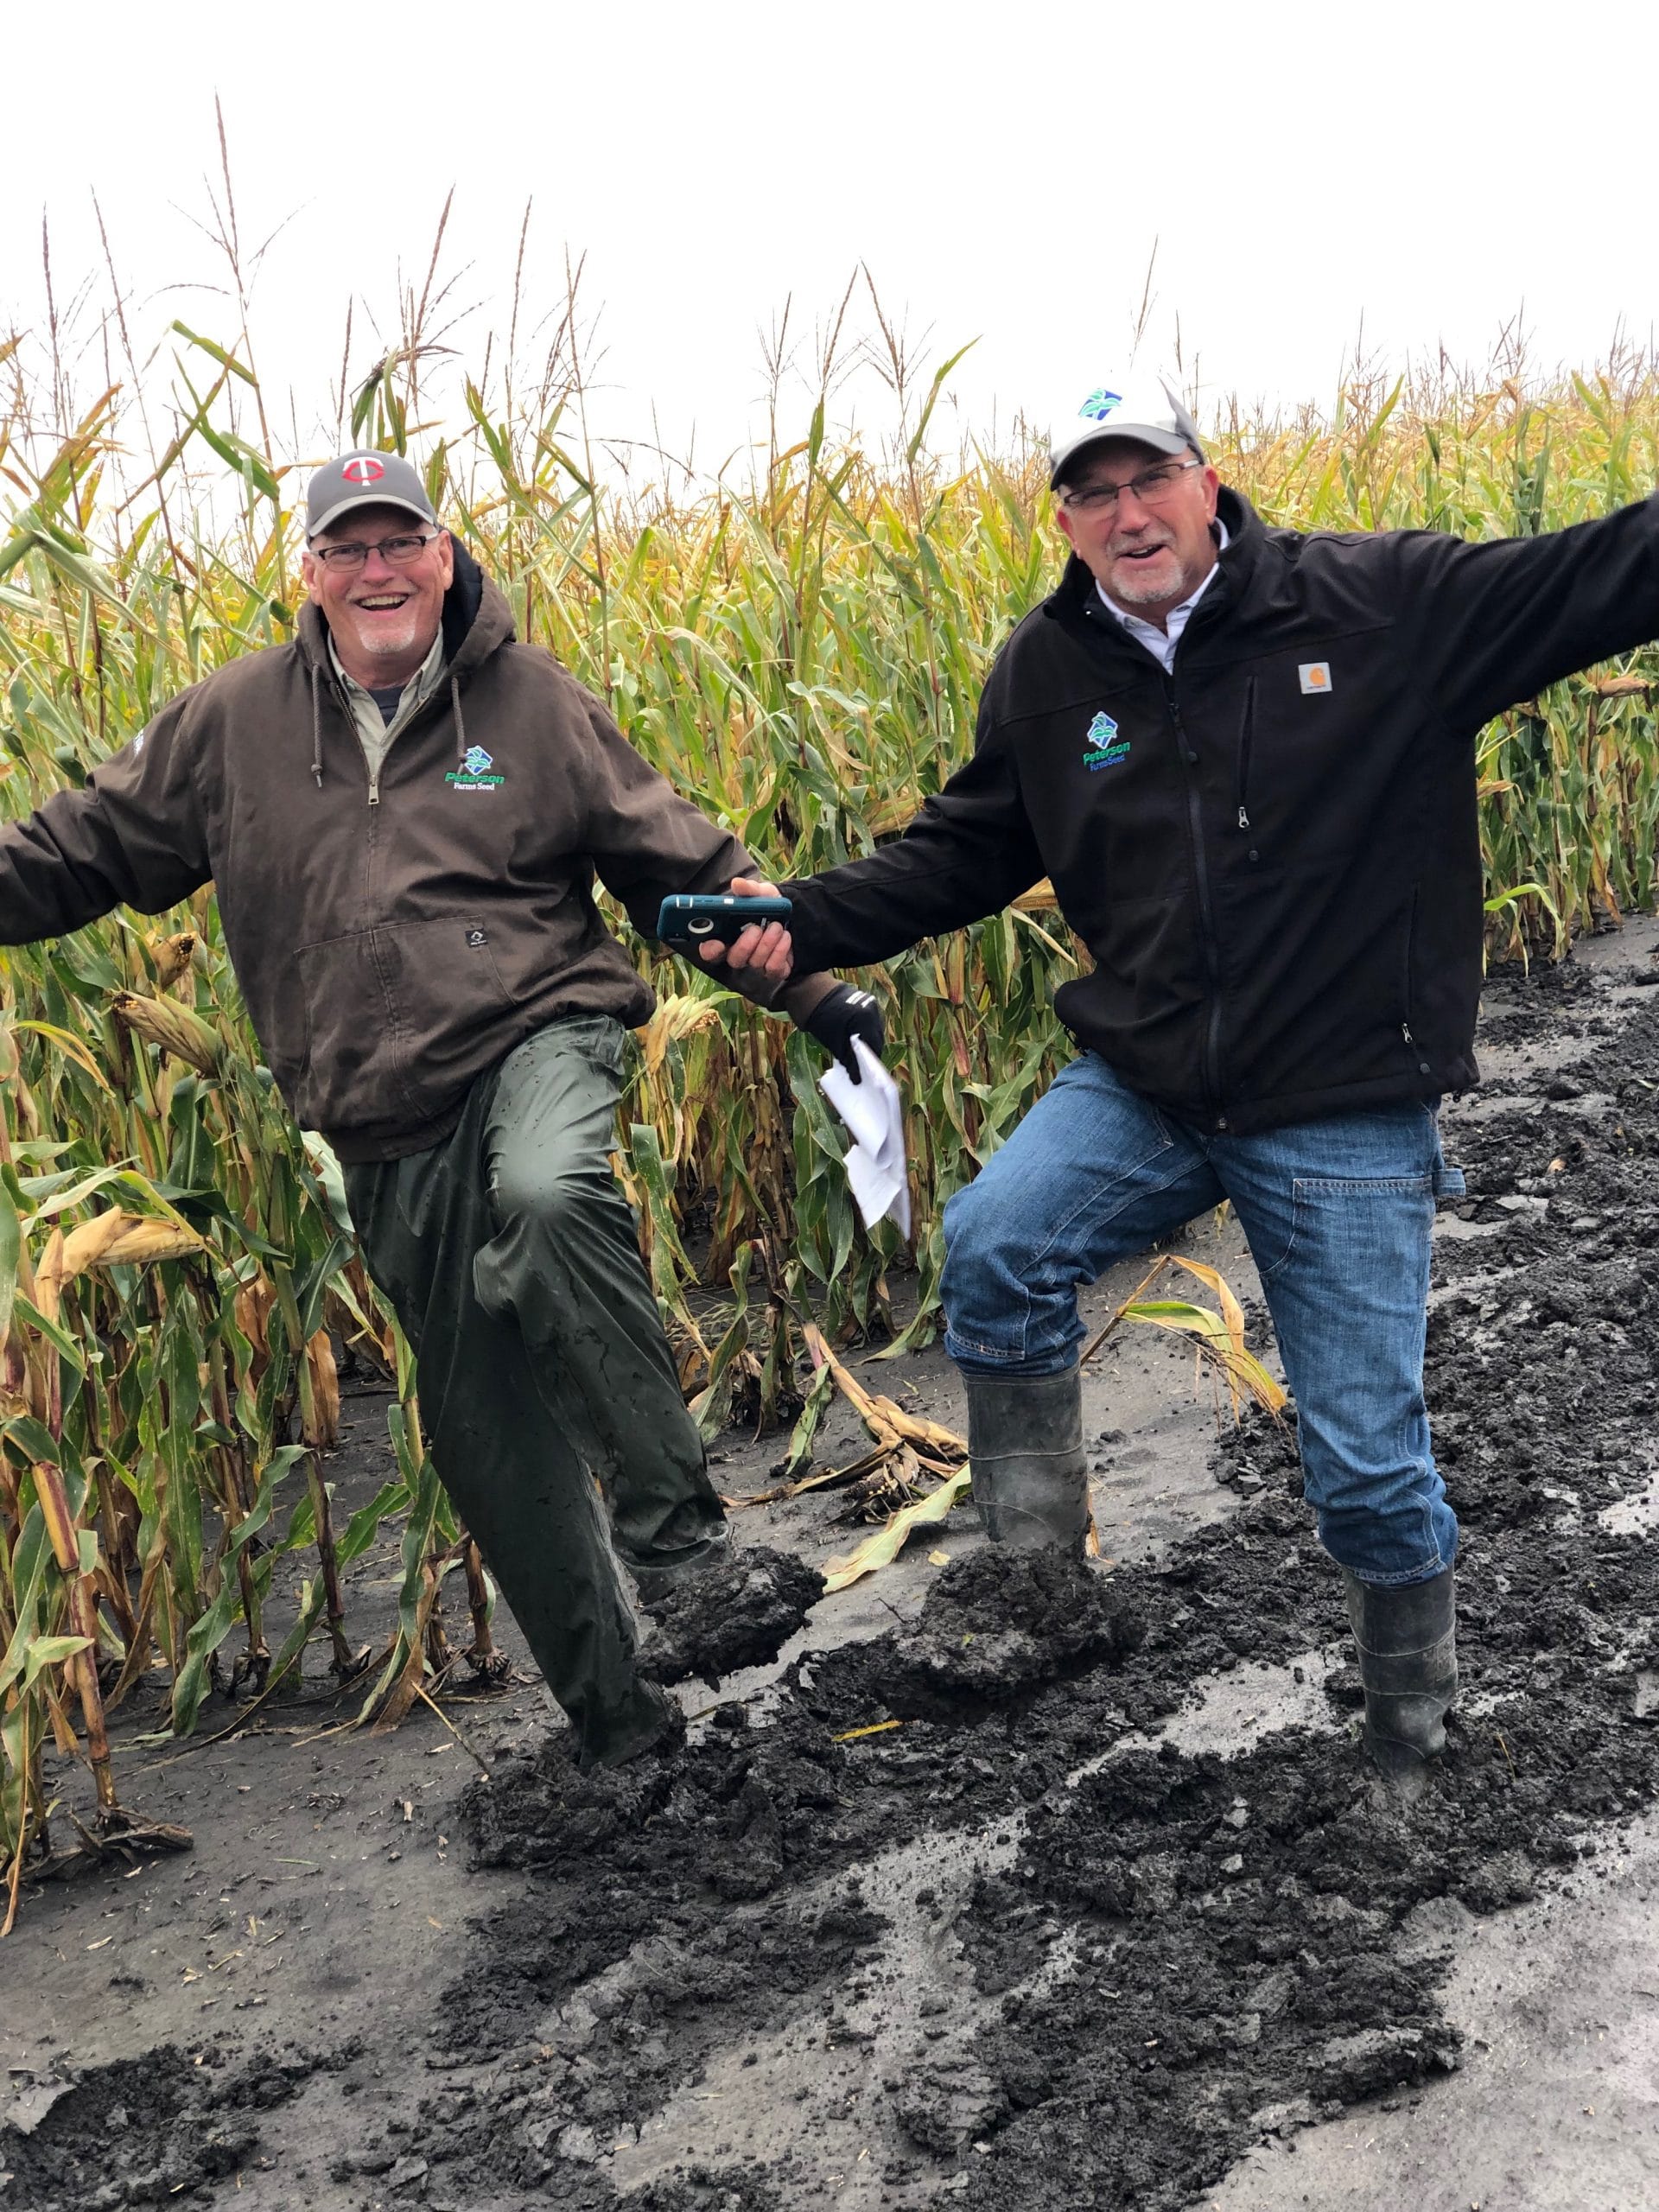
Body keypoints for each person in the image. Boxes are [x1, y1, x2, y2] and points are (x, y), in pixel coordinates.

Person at [718, 373, 1659, 1791]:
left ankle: (1412, 1732)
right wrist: (802, 917)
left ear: (1207, 482)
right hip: (1150, 1083)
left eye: (1147, 477)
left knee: (1362, 1460)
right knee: (997, 1245)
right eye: (1091, 492)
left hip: (1340, 1096)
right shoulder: (1050, 671)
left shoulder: (1378, 605)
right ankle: (1042, 1598)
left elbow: (1603, 574)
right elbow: (963, 852)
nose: (1126, 512)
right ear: (1066, 518)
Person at [0, 448, 878, 1771]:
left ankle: (687, 1553)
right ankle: (623, 1738)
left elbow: (678, 862)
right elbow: (78, 850)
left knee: (546, 1195)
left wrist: (812, 993)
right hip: (379, 1124)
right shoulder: (233, 723)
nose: (376, 570)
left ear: (445, 551)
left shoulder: (530, 705)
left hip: (538, 1040)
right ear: (308, 574)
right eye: (347, 549)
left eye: (397, 541)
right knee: (490, 1448)